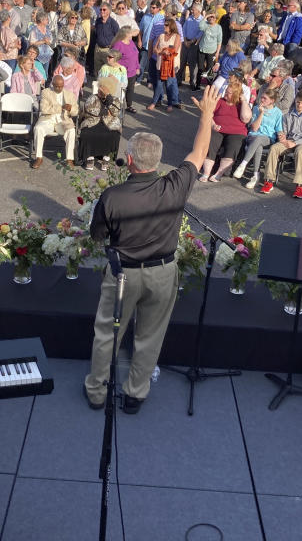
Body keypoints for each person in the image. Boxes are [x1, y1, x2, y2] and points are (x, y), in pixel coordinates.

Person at [84, 85, 221, 413]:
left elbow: (97, 236)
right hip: (162, 273)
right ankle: (135, 394)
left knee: (107, 333)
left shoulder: (113, 197)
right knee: (150, 336)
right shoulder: (173, 186)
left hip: (123, 276)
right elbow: (198, 154)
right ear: (157, 162)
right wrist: (206, 115)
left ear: (128, 160)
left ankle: (97, 392)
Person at [259, 89, 302, 199]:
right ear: (295, 101)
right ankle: (268, 180)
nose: (300, 105)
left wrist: (295, 143)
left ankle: (299, 185)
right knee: (274, 148)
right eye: (298, 102)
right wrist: (282, 136)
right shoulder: (287, 116)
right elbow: (284, 132)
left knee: (300, 151)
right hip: (289, 141)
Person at [199, 71, 252, 182]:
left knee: (234, 145)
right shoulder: (220, 101)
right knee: (211, 140)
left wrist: (243, 101)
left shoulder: (241, 104)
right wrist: (213, 125)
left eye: (229, 93)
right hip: (218, 128)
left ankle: (218, 173)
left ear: (236, 94)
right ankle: (206, 172)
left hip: (236, 131)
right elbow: (209, 114)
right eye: (226, 92)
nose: (225, 94)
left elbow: (246, 119)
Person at [233, 86, 283, 189]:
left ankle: (243, 164)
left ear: (272, 101)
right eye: (262, 97)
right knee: (258, 145)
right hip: (253, 136)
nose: (262, 99)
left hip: (268, 138)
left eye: (265, 98)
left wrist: (282, 135)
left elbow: (279, 129)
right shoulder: (256, 108)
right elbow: (255, 128)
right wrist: (261, 113)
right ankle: (256, 176)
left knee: (259, 139)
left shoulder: (278, 113)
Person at [31, 74, 78, 168]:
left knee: (71, 131)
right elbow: (44, 109)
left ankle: (69, 159)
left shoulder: (69, 94)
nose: (59, 88)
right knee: (38, 128)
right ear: (52, 84)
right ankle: (39, 157)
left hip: (63, 120)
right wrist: (61, 107)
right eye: (57, 86)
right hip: (48, 119)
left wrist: (70, 109)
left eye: (61, 86)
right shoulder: (46, 92)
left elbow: (76, 111)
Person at [78, 75, 123, 170]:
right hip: (92, 121)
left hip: (109, 123)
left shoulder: (115, 100)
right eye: (99, 90)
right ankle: (89, 157)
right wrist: (103, 112)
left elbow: (116, 113)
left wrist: (109, 104)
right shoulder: (93, 97)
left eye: (102, 91)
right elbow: (88, 109)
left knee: (113, 134)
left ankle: (106, 157)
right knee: (88, 132)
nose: (99, 92)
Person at [148, 17, 181, 112]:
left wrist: (162, 51)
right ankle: (154, 102)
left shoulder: (176, 37)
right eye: (164, 24)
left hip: (171, 65)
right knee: (158, 84)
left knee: (169, 85)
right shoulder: (161, 36)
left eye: (166, 25)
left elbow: (174, 50)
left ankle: (170, 104)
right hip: (160, 63)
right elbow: (155, 48)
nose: (164, 26)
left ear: (171, 26)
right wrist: (159, 51)